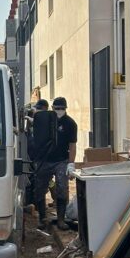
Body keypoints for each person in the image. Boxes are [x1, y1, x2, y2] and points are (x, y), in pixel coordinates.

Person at [33, 96, 77, 229]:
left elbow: (72, 145)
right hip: (44, 160)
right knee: (40, 188)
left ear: (66, 109)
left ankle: (61, 219)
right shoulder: (45, 121)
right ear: (52, 108)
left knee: (62, 188)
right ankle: (42, 218)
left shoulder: (70, 124)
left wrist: (71, 164)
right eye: (57, 108)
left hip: (61, 160)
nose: (59, 111)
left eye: (62, 108)